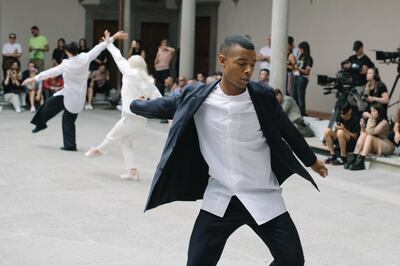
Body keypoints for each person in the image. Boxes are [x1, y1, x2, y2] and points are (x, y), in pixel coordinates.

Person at [130, 35, 327, 266]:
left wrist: (312, 160)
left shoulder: (262, 96)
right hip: (221, 196)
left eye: (252, 64)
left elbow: (287, 129)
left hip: (262, 193)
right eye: (241, 63)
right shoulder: (199, 96)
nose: (248, 70)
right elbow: (163, 106)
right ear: (223, 60)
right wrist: (135, 104)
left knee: (292, 260)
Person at [22, 30, 127, 151]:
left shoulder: (66, 64)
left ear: (67, 52)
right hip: (72, 93)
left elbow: (50, 72)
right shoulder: (85, 57)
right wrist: (114, 37)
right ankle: (41, 125)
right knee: (50, 105)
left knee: (65, 118)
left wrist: (33, 78)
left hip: (72, 95)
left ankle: (69, 145)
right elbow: (100, 47)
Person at [85, 32, 162, 179]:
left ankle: (98, 150)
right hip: (141, 120)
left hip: (130, 117)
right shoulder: (149, 81)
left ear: (132, 64)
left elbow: (118, 57)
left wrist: (109, 43)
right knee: (126, 142)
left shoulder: (130, 72)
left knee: (112, 136)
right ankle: (133, 172)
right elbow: (160, 100)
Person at [347, 103, 395, 170]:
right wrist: (362, 127)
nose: (371, 113)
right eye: (371, 111)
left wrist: (370, 118)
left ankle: (361, 161)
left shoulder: (384, 122)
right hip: (374, 142)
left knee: (369, 136)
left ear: (379, 112)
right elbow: (364, 134)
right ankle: (355, 157)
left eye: (374, 111)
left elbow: (371, 132)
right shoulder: (373, 119)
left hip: (386, 145)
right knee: (364, 135)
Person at [292, 41, 313, 116]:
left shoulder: (309, 59)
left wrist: (297, 69)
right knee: (294, 96)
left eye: (300, 49)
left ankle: (302, 114)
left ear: (304, 49)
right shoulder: (300, 57)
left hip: (302, 79)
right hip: (296, 77)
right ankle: (295, 113)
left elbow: (307, 72)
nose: (299, 50)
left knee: (300, 97)